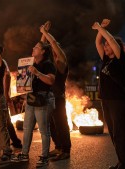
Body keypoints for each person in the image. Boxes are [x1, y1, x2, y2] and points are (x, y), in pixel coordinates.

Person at [92, 19, 125, 169]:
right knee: (114, 135)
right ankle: (121, 163)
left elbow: (109, 38)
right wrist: (99, 30)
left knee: (120, 135)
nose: (105, 45)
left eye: (108, 45)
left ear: (117, 48)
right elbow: (98, 43)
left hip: (118, 101)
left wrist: (101, 29)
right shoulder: (105, 60)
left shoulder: (121, 60)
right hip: (106, 101)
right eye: (106, 45)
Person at [11, 40, 56, 167]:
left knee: (43, 130)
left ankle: (44, 157)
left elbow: (51, 81)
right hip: (31, 99)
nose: (33, 48)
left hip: (43, 100)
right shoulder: (30, 63)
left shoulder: (48, 64)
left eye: (36, 47)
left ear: (43, 51)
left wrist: (37, 73)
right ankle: (24, 154)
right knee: (27, 129)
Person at [40, 21, 71, 160]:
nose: (54, 50)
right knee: (51, 124)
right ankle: (58, 147)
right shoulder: (51, 64)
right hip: (48, 97)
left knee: (61, 124)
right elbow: (42, 49)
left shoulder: (62, 62)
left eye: (56, 48)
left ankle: (66, 150)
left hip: (58, 97)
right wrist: (43, 35)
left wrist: (46, 33)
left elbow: (54, 46)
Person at [0, 58, 23, 149]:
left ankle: (15, 141)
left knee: (6, 120)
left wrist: (6, 94)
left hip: (1, 96)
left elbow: (7, 76)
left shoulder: (2, 62)